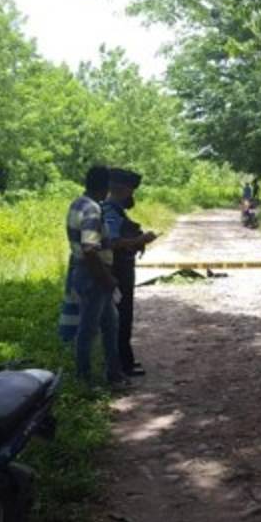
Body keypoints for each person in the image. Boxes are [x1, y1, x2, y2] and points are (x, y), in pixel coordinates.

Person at [62, 166, 126, 389]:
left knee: (110, 324)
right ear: (105, 186)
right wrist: (106, 278)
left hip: (87, 272)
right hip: (93, 275)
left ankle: (114, 375)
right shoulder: (92, 210)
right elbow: (90, 249)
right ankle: (85, 380)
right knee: (88, 329)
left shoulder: (77, 204)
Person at [103, 168, 158, 378]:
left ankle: (124, 361)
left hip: (121, 268)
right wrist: (140, 240)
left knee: (122, 315)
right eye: (131, 191)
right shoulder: (111, 211)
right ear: (123, 190)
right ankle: (123, 364)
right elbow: (113, 242)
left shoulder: (114, 210)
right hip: (118, 270)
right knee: (122, 316)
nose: (132, 196)